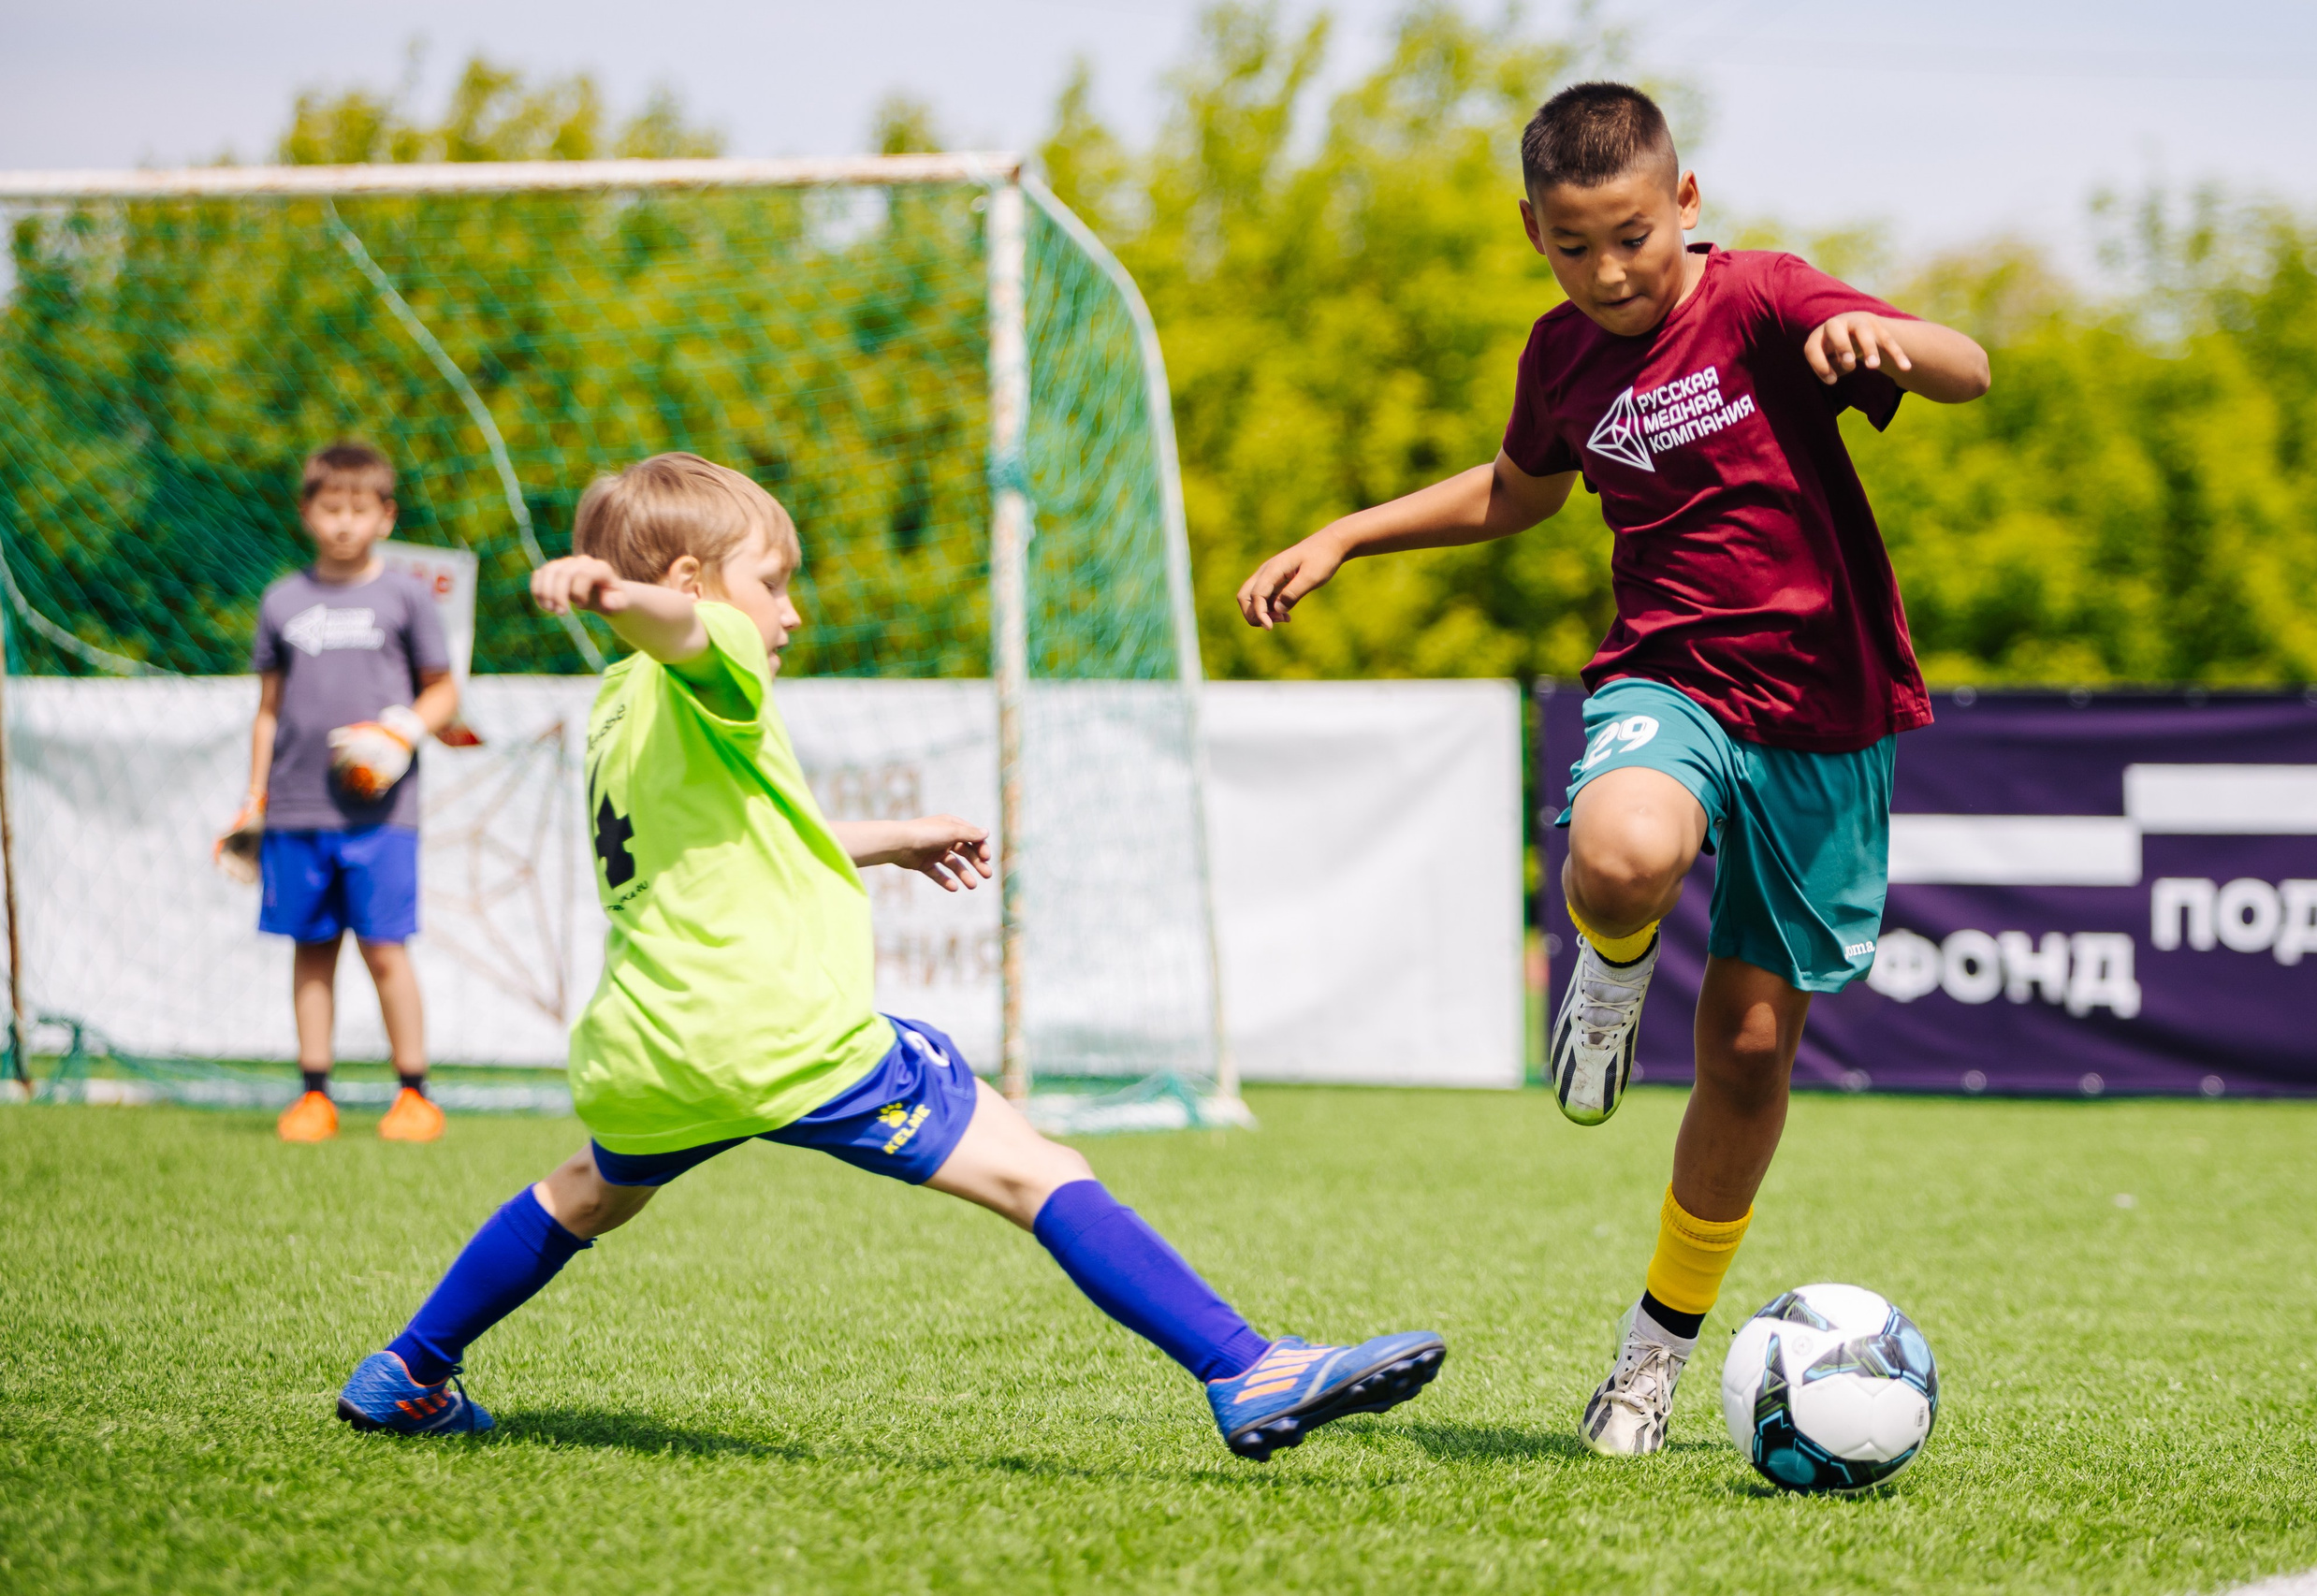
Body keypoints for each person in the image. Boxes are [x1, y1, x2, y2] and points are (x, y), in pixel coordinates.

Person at [334, 452, 1444, 1458]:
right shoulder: (702, 648)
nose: (790, 611)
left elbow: (746, 836)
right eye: (773, 582)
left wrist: (888, 839)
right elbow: (684, 626)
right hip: (775, 1030)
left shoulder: (618, 706)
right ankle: (1246, 1367)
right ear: (695, 578)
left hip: (648, 1044)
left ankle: (408, 1371)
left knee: (583, 1192)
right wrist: (616, 593)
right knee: (1035, 1164)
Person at [1234, 82, 1989, 1457]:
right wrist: (1348, 531)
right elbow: (1520, 492)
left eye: (1632, 236)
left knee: (1753, 1056)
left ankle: (1649, 1360)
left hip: (1825, 721)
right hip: (1672, 677)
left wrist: (1897, 338)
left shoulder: (1763, 298)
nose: (1609, 270)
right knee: (1623, 852)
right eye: (1574, 245)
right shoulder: (1562, 354)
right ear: (1533, 229)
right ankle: (1613, 964)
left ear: (1685, 204)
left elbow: (1967, 366)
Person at [227, 441, 457, 1144]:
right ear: (307, 513)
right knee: (312, 947)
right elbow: (268, 709)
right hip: (297, 808)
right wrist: (255, 798)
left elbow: (444, 690)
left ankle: (414, 1094)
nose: (344, 523)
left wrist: (402, 732)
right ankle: (314, 1095)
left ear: (386, 517)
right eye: (331, 508)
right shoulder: (282, 601)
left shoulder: (407, 596)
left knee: (386, 947)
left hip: (382, 813)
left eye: (360, 509)